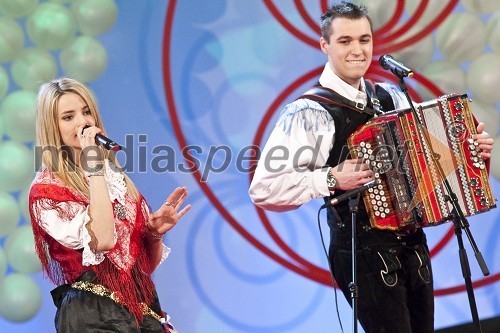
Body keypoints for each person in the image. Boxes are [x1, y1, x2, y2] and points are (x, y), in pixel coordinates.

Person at [249, 2, 494, 333]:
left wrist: (470, 152)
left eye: (364, 40)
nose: (357, 50)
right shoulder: (310, 111)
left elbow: (431, 158)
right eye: (345, 41)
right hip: (360, 251)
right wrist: (331, 177)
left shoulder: (392, 97)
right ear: (325, 46)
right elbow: (263, 189)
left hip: (412, 245)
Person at [29, 77, 191, 333]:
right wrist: (92, 164)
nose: (83, 122)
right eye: (68, 117)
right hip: (92, 315)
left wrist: (155, 233)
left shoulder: (114, 177)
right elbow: (102, 240)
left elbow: (142, 268)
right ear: (52, 126)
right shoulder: (48, 191)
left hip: (141, 312)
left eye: (86, 112)